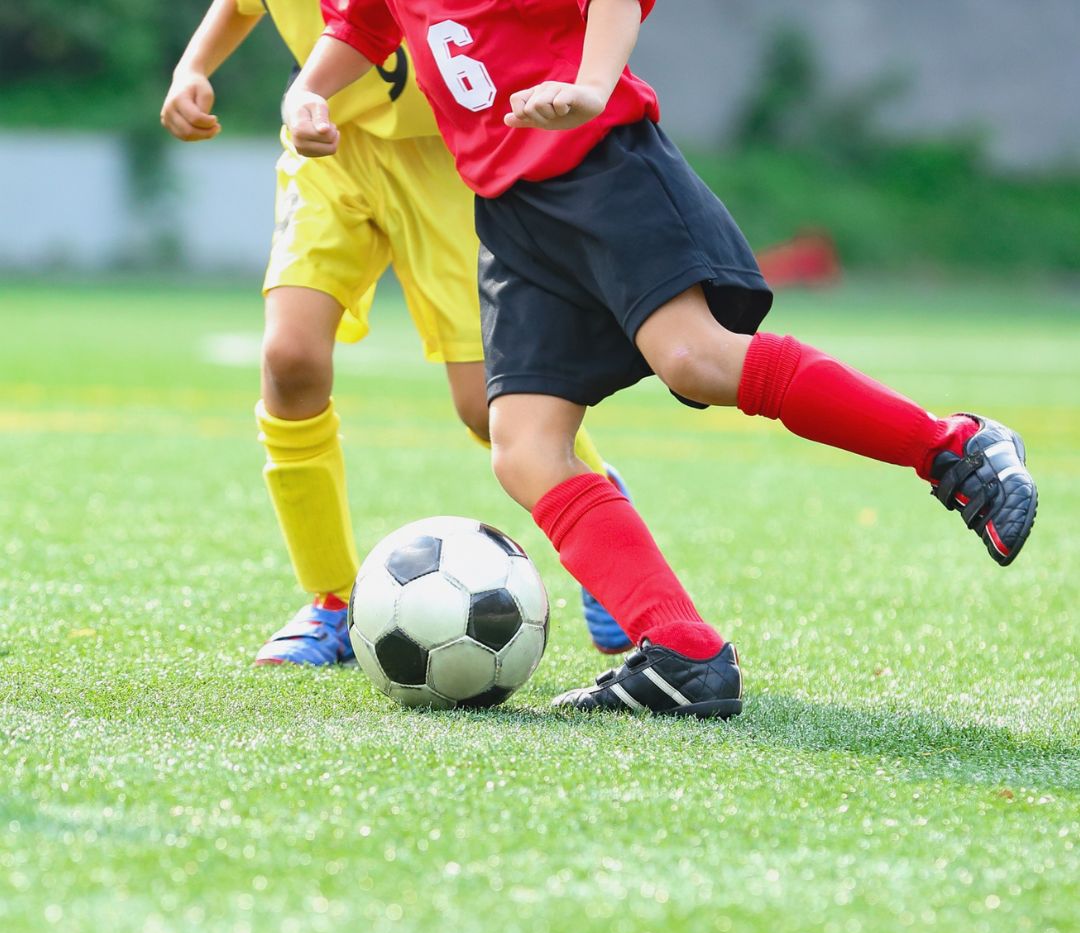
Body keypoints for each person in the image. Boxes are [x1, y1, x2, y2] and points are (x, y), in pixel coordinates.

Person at [283, 0, 1038, 716]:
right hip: (512, 217)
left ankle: (956, 448)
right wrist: (307, 94)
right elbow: (361, 25)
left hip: (601, 166)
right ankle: (681, 652)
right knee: (523, 449)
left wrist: (589, 85)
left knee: (696, 360)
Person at [160, 0, 635, 666]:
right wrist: (192, 69)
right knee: (289, 359)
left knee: (489, 406)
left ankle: (604, 525)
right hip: (328, 156)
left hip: (448, 160)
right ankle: (331, 599)